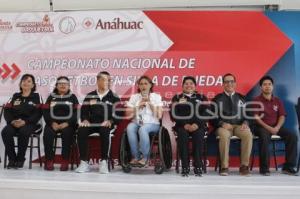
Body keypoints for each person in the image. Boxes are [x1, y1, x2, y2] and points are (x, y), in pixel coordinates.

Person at [75, 71, 121, 174]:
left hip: (106, 123)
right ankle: (84, 162)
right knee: (81, 130)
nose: (108, 82)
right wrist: (85, 119)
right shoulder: (90, 95)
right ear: (98, 81)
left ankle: (104, 162)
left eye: (109, 80)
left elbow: (118, 113)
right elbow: (84, 111)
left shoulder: (114, 97)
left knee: (105, 130)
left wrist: (111, 121)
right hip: (92, 123)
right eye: (105, 80)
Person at [253, 75, 298, 176]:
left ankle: (288, 167)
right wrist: (269, 128)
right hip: (261, 127)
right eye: (265, 84)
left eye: (269, 84)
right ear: (261, 87)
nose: (267, 86)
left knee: (292, 136)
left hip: (276, 126)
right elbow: (256, 118)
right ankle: (264, 169)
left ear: (272, 86)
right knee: (264, 137)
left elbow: (282, 116)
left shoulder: (277, 101)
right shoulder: (256, 100)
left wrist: (277, 127)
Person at [212, 73, 252, 176]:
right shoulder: (217, 99)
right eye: (226, 82)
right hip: (224, 127)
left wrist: (246, 122)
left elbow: (249, 114)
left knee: (248, 134)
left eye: (231, 81)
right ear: (223, 84)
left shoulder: (242, 98)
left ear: (235, 83)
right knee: (224, 135)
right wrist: (221, 123)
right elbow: (212, 117)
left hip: (239, 126)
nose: (229, 84)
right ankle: (224, 167)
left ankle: (244, 166)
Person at [170, 76, 210, 177]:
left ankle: (198, 165)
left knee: (199, 135)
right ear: (182, 86)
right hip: (182, 125)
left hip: (198, 125)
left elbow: (206, 112)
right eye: (186, 83)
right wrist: (185, 124)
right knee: (182, 135)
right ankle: (185, 166)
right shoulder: (177, 98)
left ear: (195, 86)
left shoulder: (201, 97)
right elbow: (174, 114)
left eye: (191, 83)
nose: (189, 85)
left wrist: (197, 124)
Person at [1, 74, 42, 169]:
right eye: (23, 80)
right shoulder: (15, 96)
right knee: (5, 132)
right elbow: (7, 110)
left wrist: (25, 121)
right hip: (14, 122)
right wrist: (12, 121)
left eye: (29, 81)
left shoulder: (37, 97)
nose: (25, 83)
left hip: (30, 123)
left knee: (24, 132)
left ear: (33, 85)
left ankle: (20, 159)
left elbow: (39, 113)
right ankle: (12, 159)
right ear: (20, 84)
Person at [125, 76, 163, 168]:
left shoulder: (156, 97)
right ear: (138, 86)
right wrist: (138, 106)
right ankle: (136, 157)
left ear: (150, 85)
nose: (143, 86)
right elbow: (127, 115)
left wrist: (150, 103)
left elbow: (159, 115)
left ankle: (145, 157)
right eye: (141, 84)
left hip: (153, 124)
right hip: (137, 122)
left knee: (143, 129)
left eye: (146, 83)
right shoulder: (134, 97)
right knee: (130, 127)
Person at [43, 76, 79, 171]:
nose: (63, 85)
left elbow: (77, 113)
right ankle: (49, 160)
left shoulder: (73, 97)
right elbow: (45, 112)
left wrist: (67, 123)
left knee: (67, 133)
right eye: (60, 83)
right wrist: (51, 123)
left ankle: (65, 160)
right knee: (47, 134)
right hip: (52, 123)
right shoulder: (51, 97)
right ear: (56, 86)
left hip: (68, 124)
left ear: (69, 86)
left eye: (65, 84)